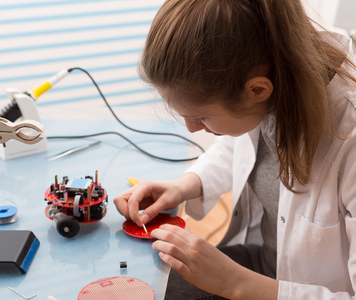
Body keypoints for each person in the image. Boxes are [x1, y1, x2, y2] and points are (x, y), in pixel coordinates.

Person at [113, 0, 356, 299]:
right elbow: (240, 146)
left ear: (257, 90)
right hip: (267, 266)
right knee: (147, 287)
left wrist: (235, 284)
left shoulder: (349, 139)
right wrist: (184, 186)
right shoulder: (275, 72)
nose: (191, 129)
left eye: (201, 117)